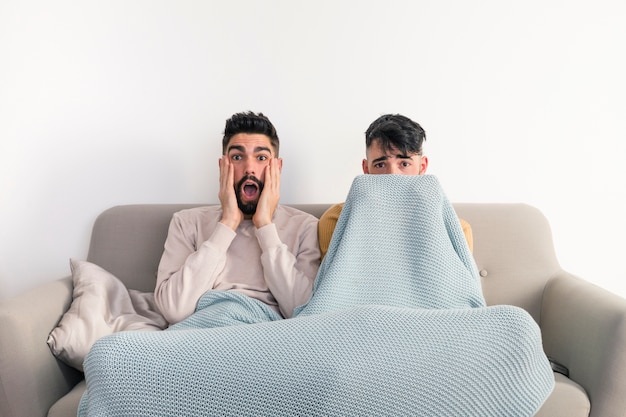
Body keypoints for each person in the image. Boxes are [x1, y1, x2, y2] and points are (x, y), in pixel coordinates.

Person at [155, 111, 321, 325]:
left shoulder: (305, 226)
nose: (249, 168)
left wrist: (264, 226)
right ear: (223, 166)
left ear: (277, 168)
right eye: (237, 157)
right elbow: (174, 309)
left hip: (264, 333)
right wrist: (228, 223)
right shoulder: (187, 222)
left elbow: (302, 311)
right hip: (202, 330)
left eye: (261, 158)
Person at [318, 114, 473, 259]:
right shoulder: (336, 220)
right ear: (366, 169)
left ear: (422, 166)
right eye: (380, 165)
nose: (392, 174)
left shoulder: (456, 232)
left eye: (404, 164)